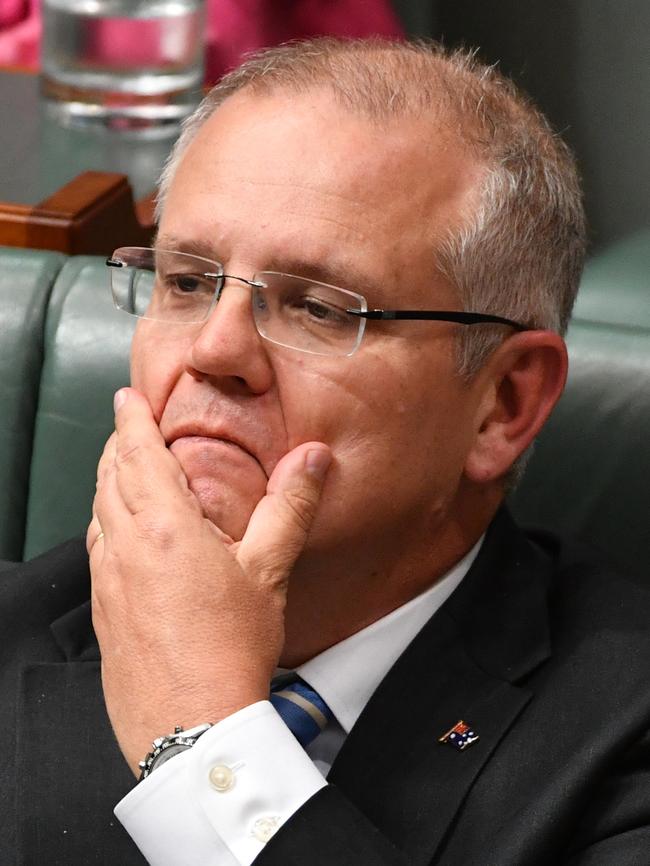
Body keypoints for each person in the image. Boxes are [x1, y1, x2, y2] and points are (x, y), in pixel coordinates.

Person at [1, 37, 649, 866]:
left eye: (317, 307)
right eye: (188, 282)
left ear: (503, 404)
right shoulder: (14, 631)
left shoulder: (621, 744)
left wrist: (205, 741)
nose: (214, 350)